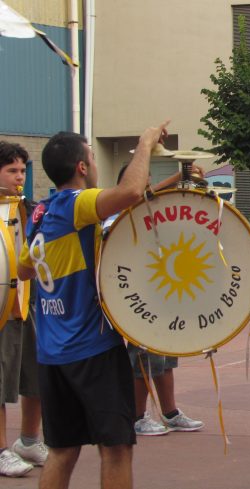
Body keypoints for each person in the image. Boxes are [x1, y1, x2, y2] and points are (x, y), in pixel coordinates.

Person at [17, 121, 170, 489]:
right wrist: (145, 142)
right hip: (92, 350)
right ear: (82, 167)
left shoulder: (44, 213)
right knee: (116, 449)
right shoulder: (76, 204)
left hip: (52, 354)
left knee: (62, 451)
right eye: (91, 156)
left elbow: (24, 269)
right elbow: (131, 190)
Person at [107, 164, 205, 437]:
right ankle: (137, 416)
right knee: (142, 360)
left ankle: (170, 412)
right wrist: (177, 177)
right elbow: (139, 196)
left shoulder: (150, 214)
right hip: (136, 300)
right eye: (142, 181)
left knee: (165, 356)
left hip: (160, 297)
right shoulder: (117, 212)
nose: (147, 186)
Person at [0, 141, 47, 477]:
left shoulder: (29, 209)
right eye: (11, 171)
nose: (19, 177)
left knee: (37, 377)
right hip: (2, 307)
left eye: (21, 171)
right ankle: (1, 450)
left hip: (26, 305)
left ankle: (28, 440)